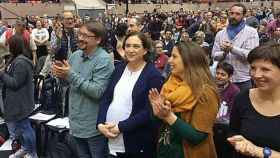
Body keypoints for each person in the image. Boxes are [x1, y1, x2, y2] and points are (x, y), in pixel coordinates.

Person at [52, 21, 114, 158]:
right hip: (75, 123)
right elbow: (69, 83)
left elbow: (97, 92)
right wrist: (60, 74)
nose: (80, 38)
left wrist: (70, 75)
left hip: (94, 127)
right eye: (79, 34)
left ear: (98, 40)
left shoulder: (104, 60)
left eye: (85, 35)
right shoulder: (75, 56)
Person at [97, 32, 163, 158]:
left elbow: (149, 111)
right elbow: (106, 98)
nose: (130, 50)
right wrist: (100, 123)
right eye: (127, 46)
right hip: (109, 136)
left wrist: (121, 127)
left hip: (135, 141)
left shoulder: (153, 75)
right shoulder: (119, 69)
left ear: (145, 50)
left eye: (136, 46)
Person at [149, 41, 219, 158]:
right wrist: (156, 113)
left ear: (189, 60)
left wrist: (168, 116)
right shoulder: (170, 84)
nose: (169, 60)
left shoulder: (206, 92)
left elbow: (198, 137)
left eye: (174, 57)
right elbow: (159, 124)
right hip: (165, 151)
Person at [228, 42, 280, 158]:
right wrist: (238, 142)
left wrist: (258, 151)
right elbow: (233, 132)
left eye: (265, 69)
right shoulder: (242, 98)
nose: (256, 75)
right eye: (253, 68)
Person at [0, 34, 37, 158]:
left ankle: (32, 153)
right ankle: (26, 149)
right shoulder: (14, 59)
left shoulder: (21, 62)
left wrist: (1, 74)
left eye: (10, 44)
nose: (8, 47)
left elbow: (15, 83)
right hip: (15, 101)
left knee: (25, 128)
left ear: (15, 46)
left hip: (21, 102)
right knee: (20, 129)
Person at [212, 3, 259, 91]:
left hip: (242, 80)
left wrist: (232, 49)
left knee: (243, 104)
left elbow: (252, 55)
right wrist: (224, 53)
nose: (233, 16)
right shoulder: (220, 33)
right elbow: (214, 56)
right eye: (231, 13)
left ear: (244, 15)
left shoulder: (251, 32)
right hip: (223, 80)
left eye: (237, 14)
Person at [214, 62, 240, 158]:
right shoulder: (210, 86)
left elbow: (232, 114)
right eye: (217, 73)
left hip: (223, 127)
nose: (219, 77)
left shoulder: (235, 91)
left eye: (223, 74)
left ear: (229, 77)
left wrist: (217, 119)